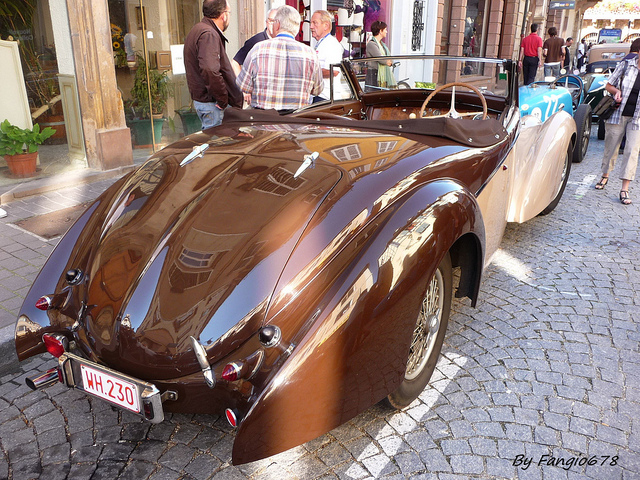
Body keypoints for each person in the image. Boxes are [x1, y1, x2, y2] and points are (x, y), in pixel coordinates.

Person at [236, 5, 323, 113]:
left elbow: (243, 86)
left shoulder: (258, 49)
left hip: (263, 122)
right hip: (296, 122)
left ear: (277, 25)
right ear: (296, 28)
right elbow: (318, 90)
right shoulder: (310, 54)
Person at [594, 38, 640, 205]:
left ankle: (624, 189)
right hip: (618, 113)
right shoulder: (627, 65)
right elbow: (608, 84)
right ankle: (605, 175)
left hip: (637, 119)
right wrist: (617, 91)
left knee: (631, 151)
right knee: (611, 147)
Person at [184, 0, 243, 129]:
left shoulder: (200, 29)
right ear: (223, 15)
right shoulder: (208, 34)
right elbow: (209, 69)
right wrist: (222, 99)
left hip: (207, 103)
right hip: (212, 105)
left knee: (215, 144)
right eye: (229, 12)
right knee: (216, 146)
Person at [309, 10, 345, 102]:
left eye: (315, 23)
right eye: (311, 23)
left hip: (326, 97)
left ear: (326, 25)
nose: (311, 26)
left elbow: (333, 71)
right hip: (319, 96)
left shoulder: (332, 44)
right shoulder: (322, 43)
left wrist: (309, 73)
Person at [231, 9, 277, 75]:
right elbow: (235, 62)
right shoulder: (257, 40)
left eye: (276, 21)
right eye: (271, 21)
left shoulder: (282, 42)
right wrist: (242, 84)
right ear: (266, 22)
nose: (273, 24)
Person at [365, 20, 395, 91]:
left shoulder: (382, 45)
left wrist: (389, 61)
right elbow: (382, 60)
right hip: (374, 74)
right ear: (380, 31)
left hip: (381, 72)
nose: (386, 32)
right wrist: (387, 61)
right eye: (385, 30)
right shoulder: (371, 44)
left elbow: (389, 59)